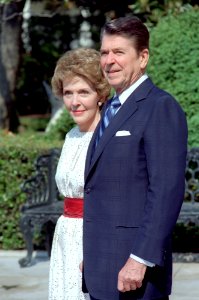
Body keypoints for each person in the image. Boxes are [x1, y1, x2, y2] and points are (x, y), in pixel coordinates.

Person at [83, 16, 188, 300]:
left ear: (143, 58)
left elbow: (166, 191)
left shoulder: (160, 107)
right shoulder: (110, 109)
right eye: (104, 52)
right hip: (102, 267)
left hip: (134, 274)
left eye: (119, 52)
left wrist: (140, 259)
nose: (109, 61)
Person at [48, 48, 110, 300]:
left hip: (95, 235)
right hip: (65, 234)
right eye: (68, 93)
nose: (75, 102)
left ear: (101, 95)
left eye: (83, 92)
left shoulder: (109, 138)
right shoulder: (71, 136)